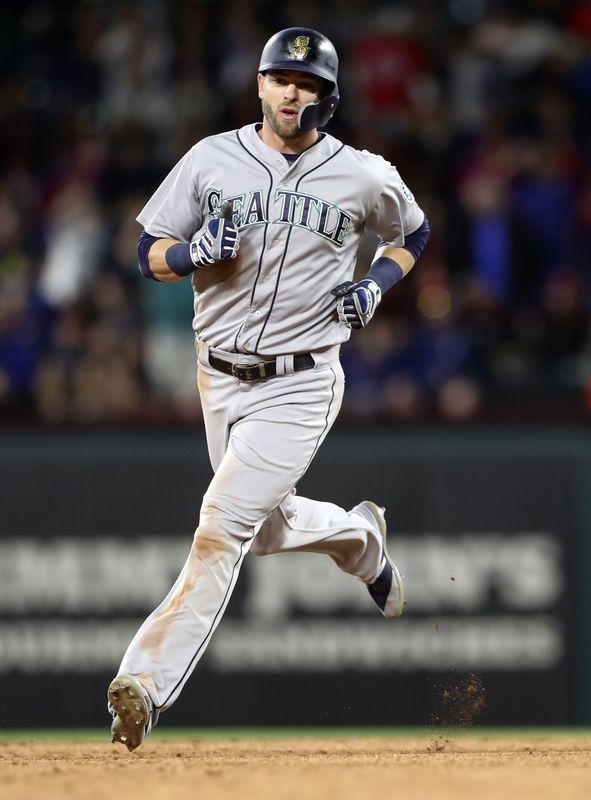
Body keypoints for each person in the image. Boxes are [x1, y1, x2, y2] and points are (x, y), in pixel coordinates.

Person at [108, 27, 430, 751]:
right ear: (259, 83)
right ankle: (361, 540)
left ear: (328, 98)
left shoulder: (362, 174)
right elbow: (146, 252)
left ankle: (144, 685)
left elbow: (414, 231)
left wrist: (376, 284)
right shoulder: (211, 159)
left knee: (220, 528)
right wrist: (190, 252)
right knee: (267, 527)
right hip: (217, 377)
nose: (294, 92)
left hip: (302, 380)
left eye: (309, 84)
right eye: (283, 78)